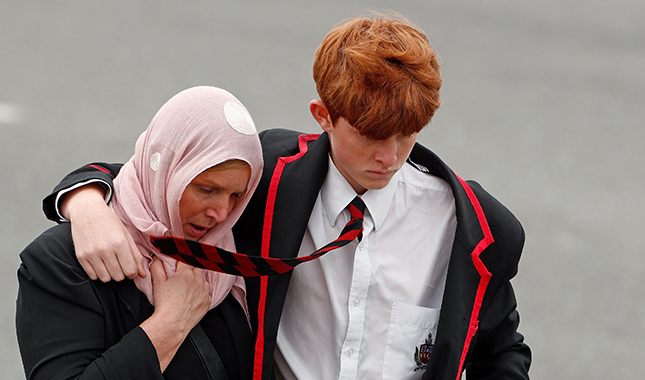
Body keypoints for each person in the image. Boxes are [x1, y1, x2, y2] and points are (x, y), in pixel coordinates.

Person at [41, 14, 531, 380]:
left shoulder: (473, 227)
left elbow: (501, 350)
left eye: (407, 134)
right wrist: (84, 202)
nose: (390, 156)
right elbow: (161, 173)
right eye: (371, 134)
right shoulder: (268, 178)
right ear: (322, 115)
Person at [16, 86, 264, 379]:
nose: (222, 213)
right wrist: (170, 325)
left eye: (237, 195)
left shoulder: (240, 239)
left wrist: (81, 194)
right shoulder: (62, 262)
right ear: (167, 173)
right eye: (207, 190)